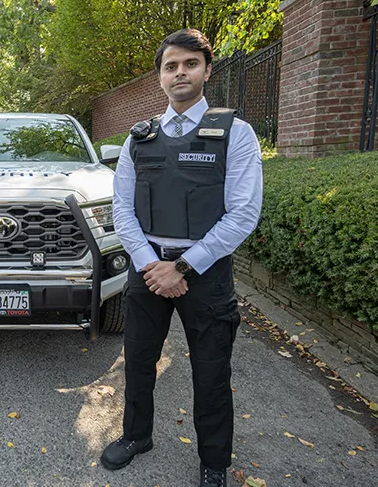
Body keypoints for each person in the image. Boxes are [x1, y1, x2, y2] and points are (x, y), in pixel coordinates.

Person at [101, 29, 263, 487]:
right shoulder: (139, 139)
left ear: (207, 71)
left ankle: (214, 462)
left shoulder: (236, 134)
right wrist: (150, 263)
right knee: (138, 360)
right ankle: (137, 436)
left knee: (211, 371)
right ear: (160, 76)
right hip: (148, 268)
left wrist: (182, 266)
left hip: (204, 274)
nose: (180, 73)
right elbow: (121, 209)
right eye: (170, 66)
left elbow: (243, 213)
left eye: (190, 64)